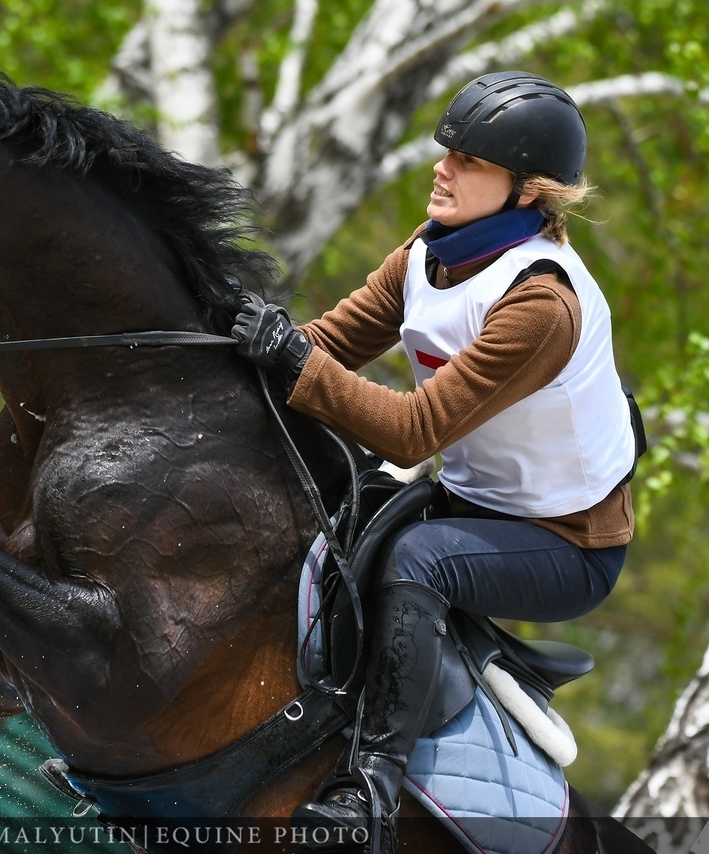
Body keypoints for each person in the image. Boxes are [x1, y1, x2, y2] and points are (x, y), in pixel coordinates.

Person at [232, 71, 636, 852]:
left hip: (569, 543)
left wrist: (295, 364)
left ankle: (367, 794)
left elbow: (415, 431)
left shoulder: (542, 304)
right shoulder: (428, 250)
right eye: (447, 151)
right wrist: (232, 346)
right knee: (331, 508)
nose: (442, 168)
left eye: (469, 161)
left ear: (528, 192)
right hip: (480, 498)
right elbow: (330, 346)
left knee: (419, 560)